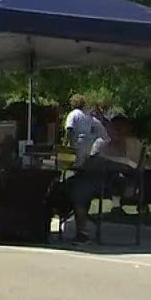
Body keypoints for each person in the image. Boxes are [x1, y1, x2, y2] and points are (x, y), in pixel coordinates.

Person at [63, 94, 111, 242]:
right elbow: (106, 138)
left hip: (79, 159)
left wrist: (69, 147)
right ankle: (82, 227)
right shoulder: (91, 119)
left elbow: (69, 131)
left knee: (75, 188)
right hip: (91, 163)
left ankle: (80, 228)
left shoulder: (73, 115)